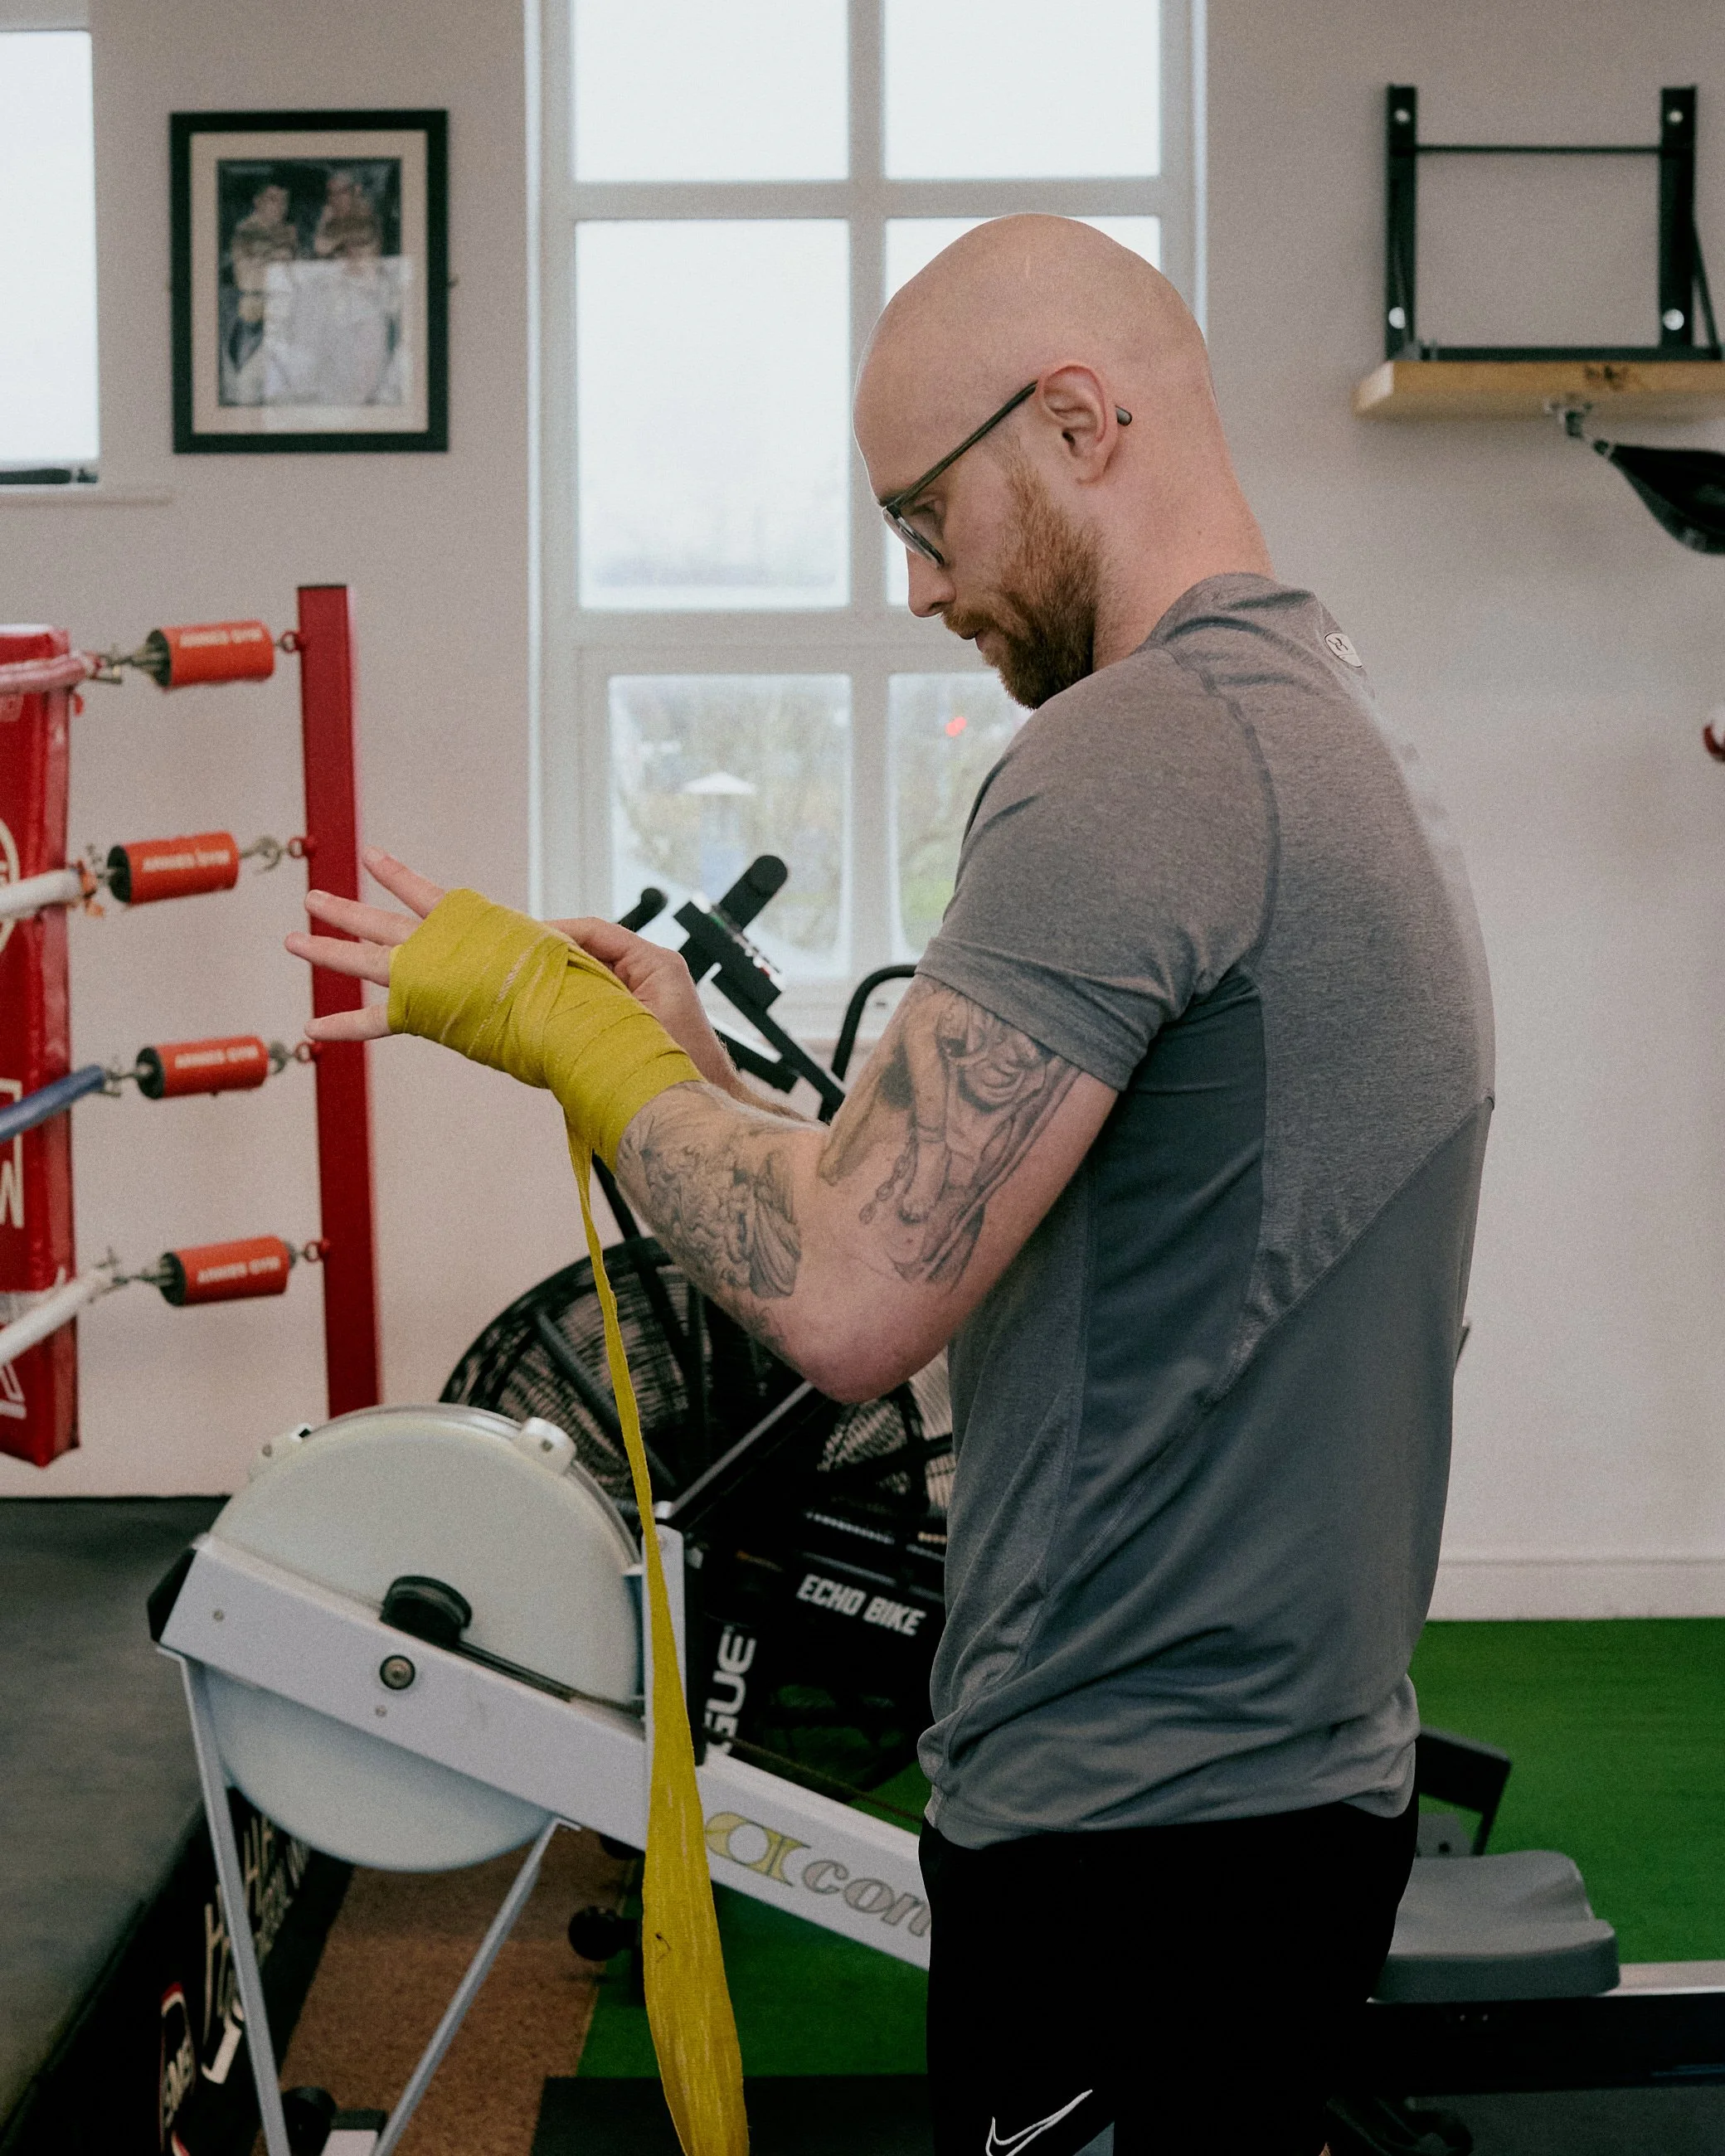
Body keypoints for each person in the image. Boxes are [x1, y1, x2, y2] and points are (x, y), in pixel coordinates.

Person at [286, 216, 1494, 2156]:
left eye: (928, 520)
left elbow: (854, 1297)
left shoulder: (1137, 757)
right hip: (1274, 1795)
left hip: (1131, 1837)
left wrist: (565, 1045)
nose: (922, 590)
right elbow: (997, 1201)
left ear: (1079, 419)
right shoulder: (1313, 720)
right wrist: (683, 1063)